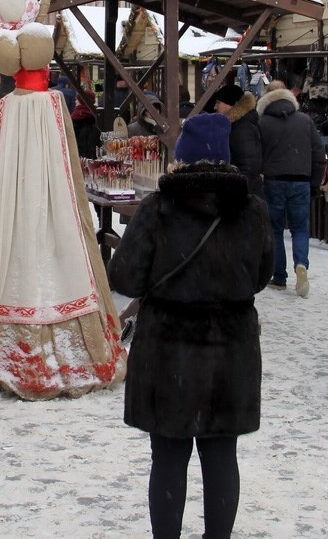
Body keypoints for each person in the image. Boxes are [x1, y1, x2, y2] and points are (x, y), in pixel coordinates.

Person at [0, 0, 125, 399]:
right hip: (52, 199)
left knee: (16, 233)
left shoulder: (10, 107)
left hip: (17, 203)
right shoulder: (48, 105)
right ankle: (72, 340)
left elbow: (3, 174)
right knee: (62, 242)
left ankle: (2, 337)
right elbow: (65, 169)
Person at [109, 113, 274, 539]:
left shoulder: (157, 209)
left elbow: (124, 279)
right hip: (230, 350)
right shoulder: (252, 210)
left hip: (168, 351)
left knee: (167, 458)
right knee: (221, 456)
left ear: (182, 157)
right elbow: (260, 276)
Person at [257, 85, 325, 296]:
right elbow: (318, 155)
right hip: (301, 181)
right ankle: (301, 264)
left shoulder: (263, 123)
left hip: (274, 180)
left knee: (275, 229)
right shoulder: (305, 121)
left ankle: (279, 277)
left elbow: (257, 154)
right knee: (300, 228)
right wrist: (314, 183)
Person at [214, 84, 264, 198]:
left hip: (243, 196)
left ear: (230, 105)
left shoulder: (241, 129)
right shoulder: (238, 126)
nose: (215, 107)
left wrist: (236, 194)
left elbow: (248, 166)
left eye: (218, 102)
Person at [71, 88, 100, 159]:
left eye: (77, 99)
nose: (75, 101)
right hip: (94, 155)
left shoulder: (76, 115)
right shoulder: (96, 114)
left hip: (79, 155)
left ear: (82, 101)